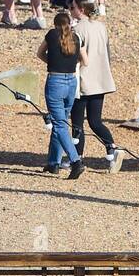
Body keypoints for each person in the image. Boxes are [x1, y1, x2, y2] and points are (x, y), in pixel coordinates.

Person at [36, 10, 88, 178]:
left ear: (56, 24)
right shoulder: (76, 38)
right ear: (70, 23)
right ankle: (53, 162)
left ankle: (75, 161)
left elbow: (39, 53)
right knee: (62, 123)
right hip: (71, 82)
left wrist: (51, 62)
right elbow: (85, 61)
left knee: (59, 125)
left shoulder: (52, 34)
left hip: (55, 82)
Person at [70, 0, 119, 168]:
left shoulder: (76, 29)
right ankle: (112, 149)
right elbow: (107, 52)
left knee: (77, 123)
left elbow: (75, 56)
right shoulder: (102, 27)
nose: (70, 10)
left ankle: (77, 158)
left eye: (72, 7)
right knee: (95, 121)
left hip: (83, 79)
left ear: (81, 9)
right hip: (101, 78)